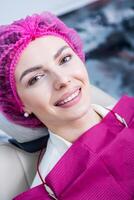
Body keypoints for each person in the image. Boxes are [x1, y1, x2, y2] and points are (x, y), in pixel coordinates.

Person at [0, 12, 133, 200]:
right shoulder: (49, 195)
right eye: (36, 78)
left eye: (64, 59)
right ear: (19, 104)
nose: (62, 80)